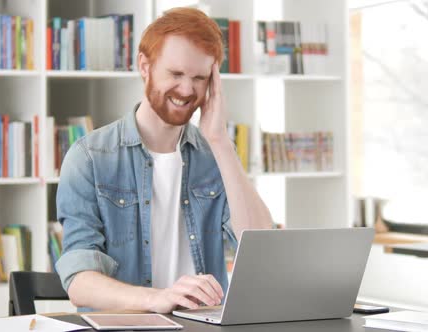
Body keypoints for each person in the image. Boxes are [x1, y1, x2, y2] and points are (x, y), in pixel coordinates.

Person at [55, 8, 273, 314]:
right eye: (176, 74)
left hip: (200, 325)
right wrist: (156, 298)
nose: (187, 90)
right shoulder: (90, 158)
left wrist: (221, 141)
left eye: (199, 78)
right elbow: (80, 281)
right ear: (145, 66)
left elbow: (263, 253)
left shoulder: (215, 156)